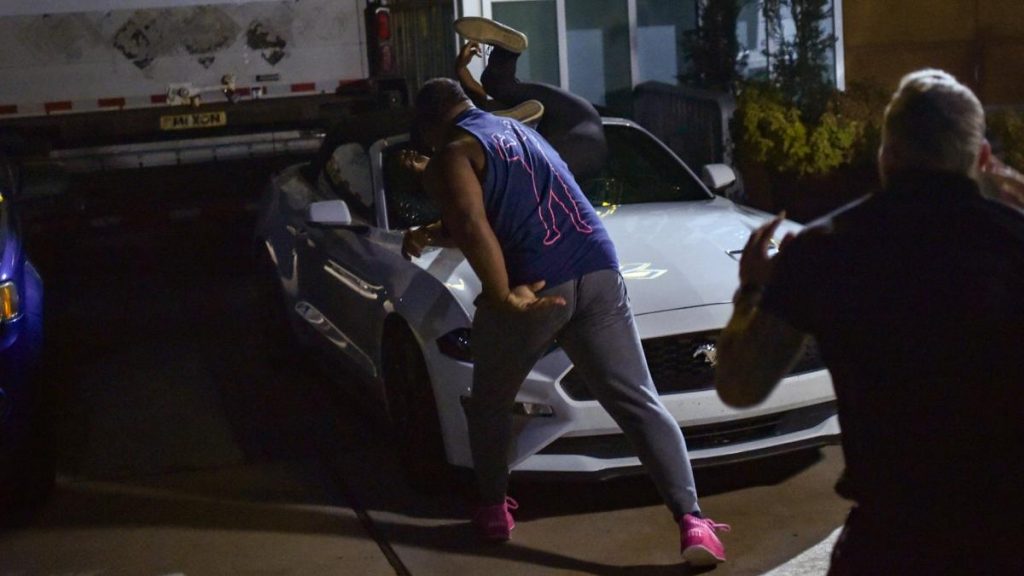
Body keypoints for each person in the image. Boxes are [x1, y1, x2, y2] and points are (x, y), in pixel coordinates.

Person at [404, 77, 729, 566]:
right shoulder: (519, 132)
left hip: (537, 285)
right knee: (637, 401)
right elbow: (501, 214)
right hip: (597, 269)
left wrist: (501, 295)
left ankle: (493, 510)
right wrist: (432, 232)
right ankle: (693, 522)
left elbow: (472, 225)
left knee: (490, 403)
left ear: (430, 127)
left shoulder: (454, 152)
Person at [714, 69, 1024, 574]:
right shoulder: (1012, 244)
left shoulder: (825, 247)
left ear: (887, 155)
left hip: (889, 542)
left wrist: (752, 290)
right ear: (983, 156)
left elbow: (740, 386)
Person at [452, 17, 608, 183]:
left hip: (579, 118)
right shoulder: (478, 119)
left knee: (499, 86)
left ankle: (507, 53)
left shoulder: (474, 123)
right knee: (497, 86)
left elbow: (481, 101)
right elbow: (481, 101)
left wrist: (461, 69)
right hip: (580, 130)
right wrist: (461, 70)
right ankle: (507, 52)